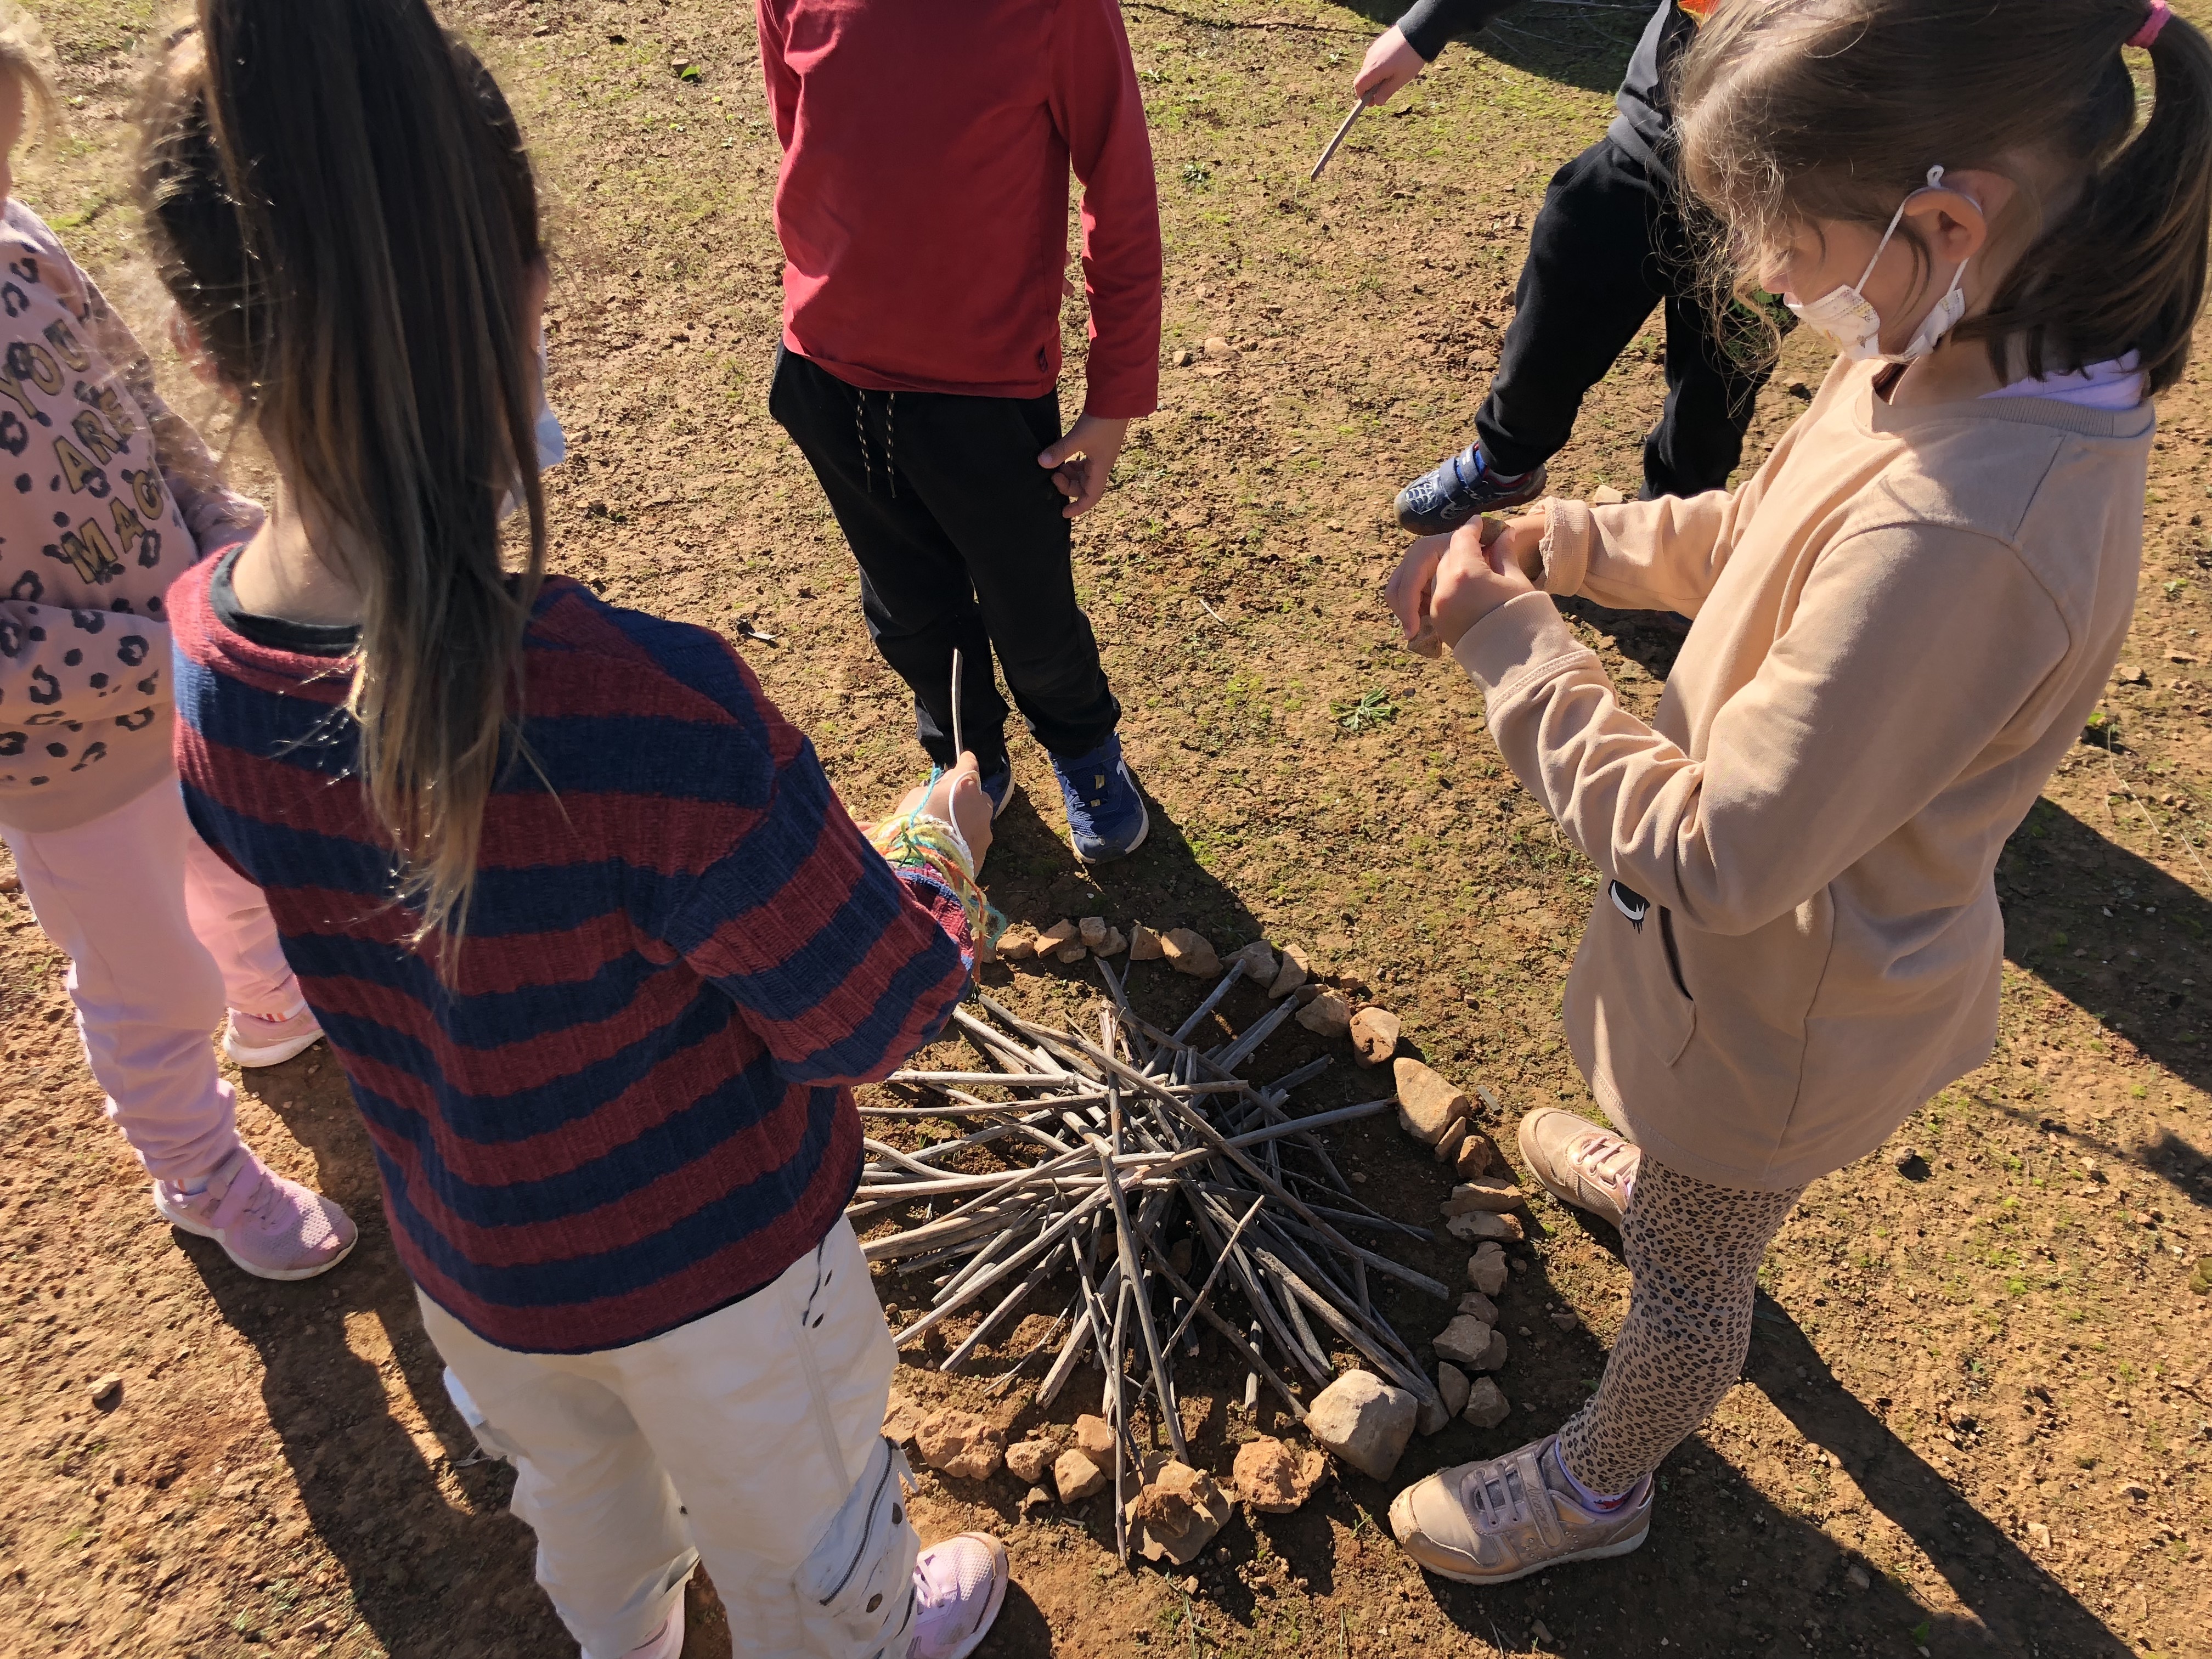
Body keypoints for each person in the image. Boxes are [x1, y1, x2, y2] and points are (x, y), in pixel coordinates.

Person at [144, 4, 1013, 1656]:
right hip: (732, 1284)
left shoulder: (203, 661)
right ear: (527, 298)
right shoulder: (651, 717)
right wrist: (932, 858)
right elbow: (873, 1012)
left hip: (482, 1268)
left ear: (196, 339)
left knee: (584, 1520)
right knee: (809, 1532)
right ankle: (855, 1632)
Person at [1382, 0, 2208, 1585]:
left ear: (1944, 219)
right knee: (1699, 1177)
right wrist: (1564, 541)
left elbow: (1723, 847)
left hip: (1786, 997)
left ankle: (1603, 1485)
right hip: (1746, 977)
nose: (1763, 278)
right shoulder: (1950, 344)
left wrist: (1513, 645)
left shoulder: (1971, 529)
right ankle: (1677, 1175)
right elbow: (1756, 524)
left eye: (1785, 238)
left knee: (1695, 1288)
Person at [0, 4, 354, 1281]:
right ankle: (200, 1172)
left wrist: (220, 528)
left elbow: (126, 393)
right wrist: (160, 640)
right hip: (60, 759)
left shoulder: (19, 246)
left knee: (236, 862)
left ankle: (273, 1008)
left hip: (173, 657)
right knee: (149, 978)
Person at [757, 0, 1163, 864]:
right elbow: (800, 131)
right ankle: (967, 753)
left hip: (988, 395)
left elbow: (1120, 186)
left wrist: (1116, 394)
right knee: (903, 601)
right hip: (829, 375)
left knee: (1032, 607)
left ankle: (1083, 745)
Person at [1352, 0, 1779, 528]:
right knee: (1559, 297)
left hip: (1785, 200)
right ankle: (1507, 459)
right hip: (1654, 140)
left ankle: (1675, 524)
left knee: (1720, 381)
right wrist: (1426, 28)